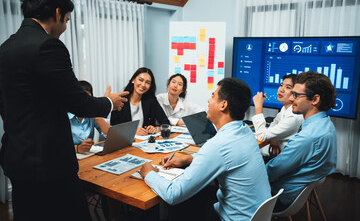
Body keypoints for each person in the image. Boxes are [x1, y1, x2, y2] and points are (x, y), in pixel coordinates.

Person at [0, 0, 128, 220]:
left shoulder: (5, 48)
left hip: (17, 158)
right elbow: (79, 103)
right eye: (67, 20)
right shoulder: (48, 45)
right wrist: (109, 102)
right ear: (58, 13)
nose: (65, 27)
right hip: (49, 164)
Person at [139, 78, 271, 221]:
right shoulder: (245, 131)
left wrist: (148, 173)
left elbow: (173, 194)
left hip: (231, 217)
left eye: (213, 95)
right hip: (256, 214)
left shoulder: (218, 144)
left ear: (223, 105)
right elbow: (227, 158)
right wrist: (189, 159)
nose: (209, 100)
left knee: (172, 204)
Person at [266, 71, 337, 211]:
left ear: (315, 100)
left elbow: (272, 171)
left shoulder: (307, 137)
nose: (291, 99)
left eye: (296, 95)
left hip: (279, 198)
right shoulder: (326, 124)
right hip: (297, 191)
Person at [252, 74, 303, 157]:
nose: (281, 90)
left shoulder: (294, 116)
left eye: (288, 87)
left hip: (286, 161)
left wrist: (258, 106)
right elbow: (274, 126)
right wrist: (274, 137)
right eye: (281, 85)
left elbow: (262, 136)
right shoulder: (286, 108)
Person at [111, 67, 169, 136]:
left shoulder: (151, 100)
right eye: (140, 80)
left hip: (144, 141)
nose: (143, 85)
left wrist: (156, 129)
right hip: (125, 141)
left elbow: (165, 123)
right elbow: (113, 127)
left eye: (147, 82)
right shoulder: (120, 100)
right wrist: (133, 130)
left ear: (150, 86)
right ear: (133, 80)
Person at [69, 81, 111, 154]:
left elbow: (110, 135)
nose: (83, 99)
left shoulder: (91, 115)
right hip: (69, 156)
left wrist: (96, 116)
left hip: (88, 155)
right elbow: (56, 144)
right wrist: (77, 148)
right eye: (80, 95)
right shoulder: (65, 116)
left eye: (87, 95)